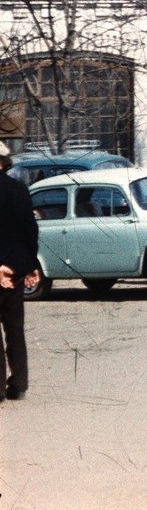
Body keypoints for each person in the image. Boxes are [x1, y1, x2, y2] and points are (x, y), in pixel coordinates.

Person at [0, 147, 38, 400]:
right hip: (16, 271)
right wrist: (29, 265)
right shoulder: (20, 189)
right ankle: (20, 384)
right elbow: (30, 231)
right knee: (15, 328)